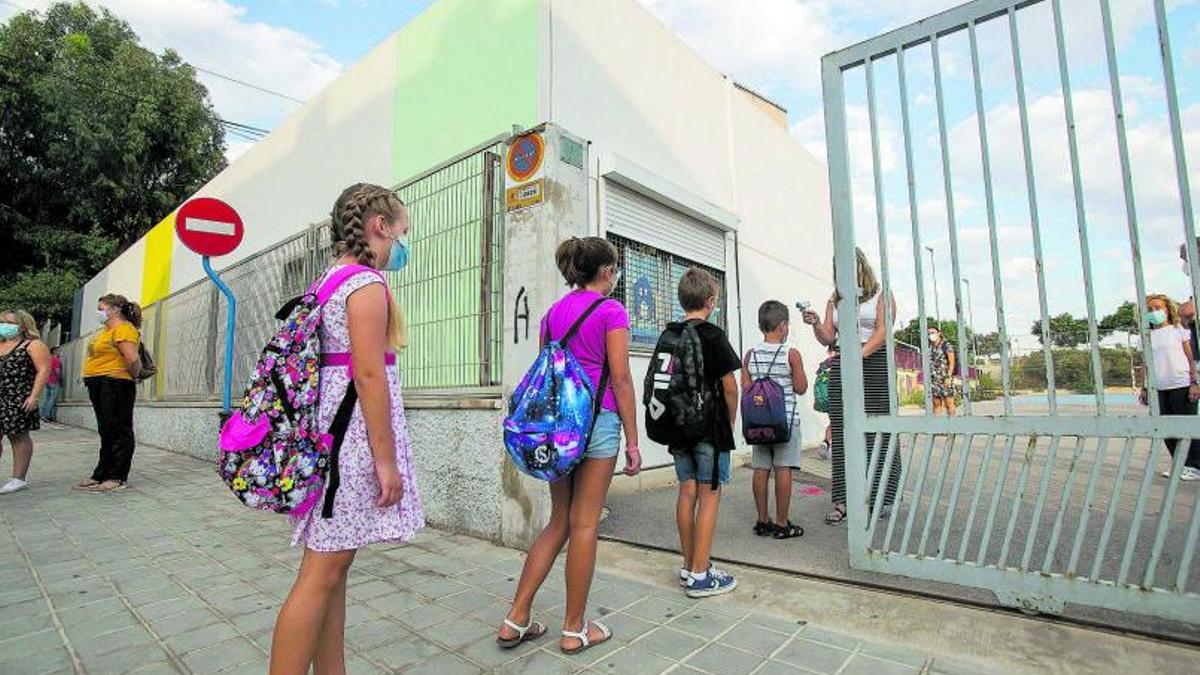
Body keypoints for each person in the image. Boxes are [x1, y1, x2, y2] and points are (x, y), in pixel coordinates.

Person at [271, 184, 425, 674]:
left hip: (328, 439)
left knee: (333, 570)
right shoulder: (366, 285)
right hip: (351, 446)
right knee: (321, 575)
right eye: (403, 232)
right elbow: (369, 374)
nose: (404, 243)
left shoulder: (330, 279)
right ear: (381, 227)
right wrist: (386, 461)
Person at [496, 236, 641, 655]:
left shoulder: (551, 315)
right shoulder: (612, 311)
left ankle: (516, 617)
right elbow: (621, 378)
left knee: (558, 520)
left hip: (557, 431)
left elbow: (549, 379)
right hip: (598, 426)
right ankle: (575, 628)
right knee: (584, 524)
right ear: (607, 272)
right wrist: (633, 441)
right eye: (614, 270)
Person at [802, 247, 900, 525]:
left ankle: (881, 496)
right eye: (838, 268)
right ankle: (843, 501)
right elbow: (827, 338)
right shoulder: (835, 299)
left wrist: (859, 354)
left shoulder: (882, 293)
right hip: (844, 363)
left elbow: (883, 330)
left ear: (861, 266)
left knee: (877, 430)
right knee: (842, 433)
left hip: (874, 362)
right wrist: (816, 323)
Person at [669, 268, 741, 598]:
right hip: (709, 429)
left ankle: (690, 565)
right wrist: (730, 423)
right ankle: (700, 574)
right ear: (711, 301)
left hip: (679, 428)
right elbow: (730, 387)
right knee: (709, 494)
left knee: (686, 491)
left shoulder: (670, 334)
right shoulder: (713, 335)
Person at [743, 300, 807, 539]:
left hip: (758, 423)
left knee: (760, 469)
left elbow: (746, 389)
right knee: (783, 469)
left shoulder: (750, 355)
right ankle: (782, 523)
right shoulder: (791, 354)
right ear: (783, 326)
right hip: (786, 422)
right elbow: (800, 388)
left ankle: (762, 520)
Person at [77, 294, 143, 493]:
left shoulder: (124, 329)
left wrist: (133, 376)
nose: (98, 312)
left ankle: (117, 476)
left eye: (101, 308)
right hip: (99, 381)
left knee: (119, 429)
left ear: (115, 310)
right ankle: (101, 473)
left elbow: (131, 358)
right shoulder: (106, 330)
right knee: (106, 429)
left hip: (115, 382)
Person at [1141, 294, 1199, 481]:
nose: (1153, 312)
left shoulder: (1178, 330)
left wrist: (1194, 382)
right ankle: (1179, 463)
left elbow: (1190, 358)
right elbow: (1145, 363)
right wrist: (1144, 387)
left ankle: (1195, 465)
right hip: (1159, 387)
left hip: (1181, 384)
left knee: (1185, 427)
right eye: (1149, 309)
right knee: (1166, 429)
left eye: (1157, 308)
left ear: (1167, 310)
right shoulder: (1146, 336)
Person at [0, 310, 50, 494]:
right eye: (1, 321)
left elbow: (43, 370)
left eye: (8, 322)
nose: (3, 325)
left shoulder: (32, 345)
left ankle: (18, 478)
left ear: (22, 325)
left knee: (18, 436)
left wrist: (34, 396)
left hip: (18, 396)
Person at [927, 327, 956, 417]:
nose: (931, 335)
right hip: (934, 380)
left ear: (939, 333)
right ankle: (939, 429)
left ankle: (952, 428)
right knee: (936, 405)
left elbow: (952, 362)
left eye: (933, 332)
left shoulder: (946, 345)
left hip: (944, 379)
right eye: (929, 333)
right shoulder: (929, 347)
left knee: (949, 404)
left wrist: (948, 377)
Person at [40, 347, 61, 422]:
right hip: (54, 381)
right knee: (52, 399)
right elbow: (57, 371)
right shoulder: (56, 359)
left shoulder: (48, 359)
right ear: (54, 352)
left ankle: (42, 414)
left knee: (46, 398)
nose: (59, 352)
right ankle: (46, 415)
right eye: (58, 351)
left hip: (47, 380)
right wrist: (60, 379)